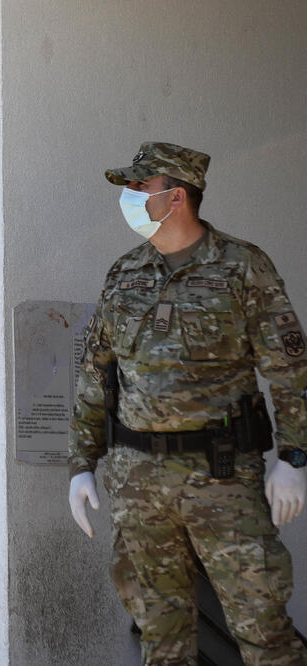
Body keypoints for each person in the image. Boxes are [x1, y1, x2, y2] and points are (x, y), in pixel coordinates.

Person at [68, 141, 307, 665]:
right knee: (161, 637)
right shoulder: (124, 273)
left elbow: (290, 371)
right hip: (138, 484)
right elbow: (95, 373)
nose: (130, 196)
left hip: (221, 479)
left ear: (176, 197)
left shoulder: (242, 267)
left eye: (140, 186)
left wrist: (294, 457)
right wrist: (81, 463)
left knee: (263, 629)